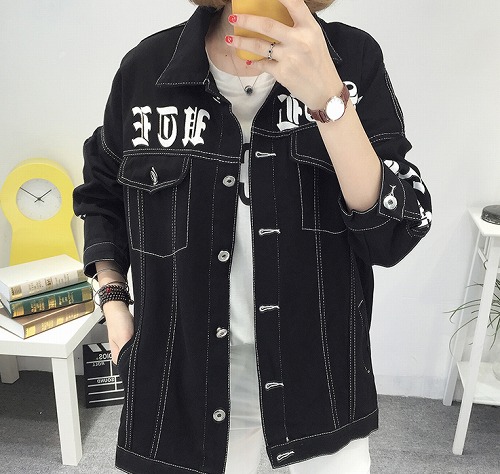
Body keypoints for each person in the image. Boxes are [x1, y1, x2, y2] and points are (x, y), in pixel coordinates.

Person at [73, 0, 432, 472]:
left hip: (320, 384)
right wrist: (114, 301)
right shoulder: (147, 71)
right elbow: (102, 192)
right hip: (182, 385)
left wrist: (330, 101)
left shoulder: (352, 60)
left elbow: (393, 234)